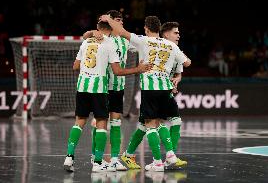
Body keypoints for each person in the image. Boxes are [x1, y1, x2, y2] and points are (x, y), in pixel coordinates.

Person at [100, 15, 188, 171]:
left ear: (146, 28)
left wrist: (108, 18)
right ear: (160, 29)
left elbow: (121, 31)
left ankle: (159, 161)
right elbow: (187, 62)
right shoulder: (170, 45)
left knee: (151, 125)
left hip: (150, 89)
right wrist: (174, 69)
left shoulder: (143, 40)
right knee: (150, 124)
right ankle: (156, 154)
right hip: (165, 89)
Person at [63, 19, 152, 173]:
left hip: (83, 87)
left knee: (80, 122)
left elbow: (75, 66)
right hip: (99, 89)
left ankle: (69, 157)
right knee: (102, 123)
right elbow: (117, 71)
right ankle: (97, 162)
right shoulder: (109, 43)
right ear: (111, 28)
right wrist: (138, 69)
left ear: (98, 28)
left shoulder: (86, 43)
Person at [83, 10, 135, 171]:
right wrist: (92, 31)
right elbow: (85, 36)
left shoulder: (126, 40)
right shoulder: (101, 37)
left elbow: (144, 44)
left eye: (121, 20)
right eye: (117, 20)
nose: (121, 23)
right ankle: (95, 156)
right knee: (100, 124)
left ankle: (114, 159)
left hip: (118, 87)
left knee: (116, 123)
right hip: (103, 87)